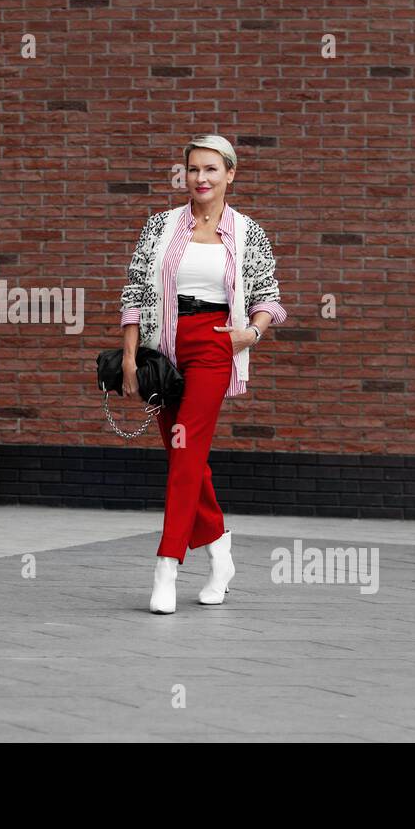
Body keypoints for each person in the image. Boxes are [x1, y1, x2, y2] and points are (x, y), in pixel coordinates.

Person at [118, 134, 287, 614]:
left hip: (215, 343)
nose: (201, 178)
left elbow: (269, 298)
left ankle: (166, 567)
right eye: (193, 169)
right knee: (181, 453)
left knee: (186, 449)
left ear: (230, 174)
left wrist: (248, 335)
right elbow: (134, 294)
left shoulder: (247, 232)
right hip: (163, 348)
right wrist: (131, 358)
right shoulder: (160, 226)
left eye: (212, 169)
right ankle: (220, 552)